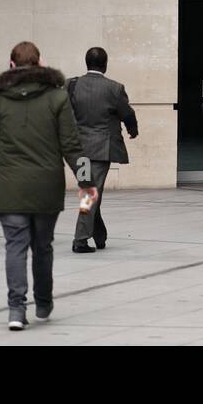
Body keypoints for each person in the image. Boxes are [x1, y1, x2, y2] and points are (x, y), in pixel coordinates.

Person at [0, 40, 97, 330]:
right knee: (43, 247)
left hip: (10, 188)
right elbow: (73, 146)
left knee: (15, 247)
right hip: (46, 187)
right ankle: (43, 301)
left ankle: (16, 310)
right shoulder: (57, 98)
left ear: (11, 66)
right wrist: (86, 180)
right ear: (40, 64)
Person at [67, 47, 138, 253]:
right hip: (100, 150)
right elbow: (127, 113)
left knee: (88, 191)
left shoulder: (72, 85)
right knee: (90, 193)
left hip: (78, 150)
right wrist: (133, 130)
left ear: (86, 62)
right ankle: (80, 240)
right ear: (105, 64)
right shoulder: (114, 88)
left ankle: (99, 235)